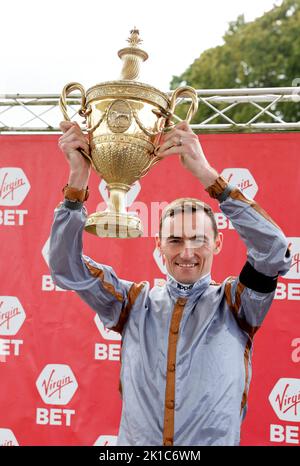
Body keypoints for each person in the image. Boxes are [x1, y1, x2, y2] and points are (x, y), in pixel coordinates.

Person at [49, 120, 291, 446]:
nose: (187, 251)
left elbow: (274, 251)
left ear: (218, 244)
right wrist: (77, 182)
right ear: (159, 246)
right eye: (175, 240)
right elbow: (65, 267)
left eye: (199, 239)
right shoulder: (132, 302)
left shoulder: (236, 302)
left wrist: (210, 177)